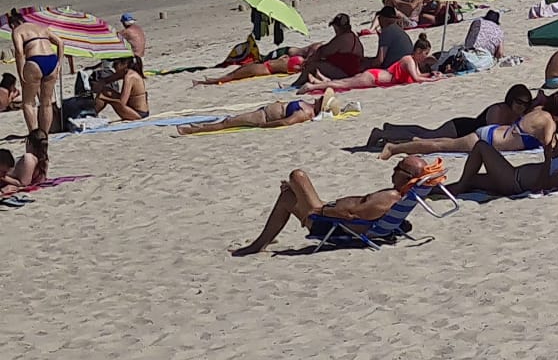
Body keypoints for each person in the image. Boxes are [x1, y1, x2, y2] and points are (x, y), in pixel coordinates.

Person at [230, 155, 433, 256]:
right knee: (288, 197)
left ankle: (259, 244)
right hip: (332, 216)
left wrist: (320, 210)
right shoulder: (397, 196)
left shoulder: (389, 197)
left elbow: (352, 214)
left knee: (297, 176)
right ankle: (261, 243)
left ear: (404, 176)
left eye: (398, 167)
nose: (393, 169)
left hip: (330, 223)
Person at [380, 90, 558, 159]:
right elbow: (550, 150)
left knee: (440, 142)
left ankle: (406, 144)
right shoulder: (548, 122)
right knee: (439, 146)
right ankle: (395, 148)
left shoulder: (539, 113)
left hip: (490, 134)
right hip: (488, 139)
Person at [366, 84, 536, 148]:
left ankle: (391, 128)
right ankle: (381, 134)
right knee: (426, 136)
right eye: (519, 102)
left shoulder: (517, 113)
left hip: (465, 131)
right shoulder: (498, 110)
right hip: (460, 128)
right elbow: (492, 131)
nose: (522, 107)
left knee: (426, 132)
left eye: (525, 104)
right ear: (511, 99)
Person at [300, 37, 441, 92]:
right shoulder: (408, 60)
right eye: (425, 53)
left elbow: (417, 76)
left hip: (375, 76)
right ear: (418, 51)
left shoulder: (413, 62)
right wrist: (433, 79)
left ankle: (321, 80)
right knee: (344, 85)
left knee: (344, 82)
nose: (426, 57)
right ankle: (312, 86)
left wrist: (430, 74)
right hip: (375, 77)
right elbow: (416, 79)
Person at [177, 90, 339, 135]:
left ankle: (191, 130)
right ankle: (199, 126)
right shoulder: (308, 106)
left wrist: (265, 125)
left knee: (227, 122)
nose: (319, 97)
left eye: (322, 99)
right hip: (264, 112)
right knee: (229, 120)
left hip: (264, 117)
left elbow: (286, 122)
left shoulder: (305, 113)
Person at [8, 9, 61, 134]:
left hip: (35, 60)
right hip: (51, 60)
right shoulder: (41, 27)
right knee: (46, 102)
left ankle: (34, 135)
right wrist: (59, 63)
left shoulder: (17, 31)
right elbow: (60, 42)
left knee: (28, 102)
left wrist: (21, 72)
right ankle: (44, 134)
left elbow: (20, 53)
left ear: (13, 25)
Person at [288, 12, 366, 88]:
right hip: (351, 71)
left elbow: (323, 52)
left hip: (345, 73)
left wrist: (308, 61)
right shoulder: (353, 37)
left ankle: (294, 85)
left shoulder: (342, 39)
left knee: (313, 66)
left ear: (337, 27)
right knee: (318, 65)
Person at [93, 56, 149, 120]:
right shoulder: (126, 72)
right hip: (132, 108)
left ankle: (92, 114)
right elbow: (107, 80)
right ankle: (92, 113)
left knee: (103, 95)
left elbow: (122, 102)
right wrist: (97, 84)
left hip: (138, 113)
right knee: (105, 91)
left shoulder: (129, 77)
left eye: (115, 64)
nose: (113, 67)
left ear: (125, 64)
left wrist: (104, 98)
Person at [1, 130, 50, 196]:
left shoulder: (29, 158)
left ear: (28, 142)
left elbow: (24, 184)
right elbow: (41, 180)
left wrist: (3, 177)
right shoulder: (44, 159)